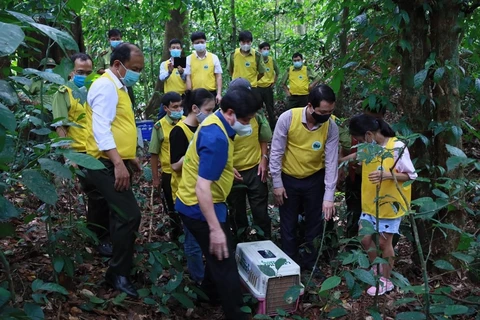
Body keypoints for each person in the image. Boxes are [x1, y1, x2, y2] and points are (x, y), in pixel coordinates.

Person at [175, 86, 260, 320]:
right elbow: (202, 187)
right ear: (230, 112)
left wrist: (225, 167)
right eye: (247, 119)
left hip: (205, 202)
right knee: (224, 259)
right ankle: (236, 314)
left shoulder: (216, 121)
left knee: (217, 255)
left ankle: (208, 294)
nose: (249, 124)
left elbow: (202, 157)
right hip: (199, 206)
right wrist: (214, 229)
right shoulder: (216, 138)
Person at [85, 43, 144, 298]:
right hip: (103, 163)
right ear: (118, 64)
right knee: (130, 215)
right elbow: (101, 129)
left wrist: (129, 158)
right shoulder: (105, 86)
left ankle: (120, 267)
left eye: (140, 70)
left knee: (122, 214)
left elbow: (120, 124)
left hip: (114, 160)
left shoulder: (119, 87)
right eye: (134, 69)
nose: (137, 74)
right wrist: (118, 163)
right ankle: (117, 273)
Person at [269, 84, 339, 272]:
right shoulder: (288, 118)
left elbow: (332, 161)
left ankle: (310, 263)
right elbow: (276, 152)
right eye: (323, 111)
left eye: (331, 111)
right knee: (288, 223)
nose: (327, 115)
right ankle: (289, 265)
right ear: (310, 106)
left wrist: (329, 197)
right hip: (289, 178)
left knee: (314, 224)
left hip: (315, 178)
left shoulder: (330, 126)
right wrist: (277, 184)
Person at [51, 53, 113, 257]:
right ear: (71, 72)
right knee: (97, 195)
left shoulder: (93, 89)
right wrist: (68, 156)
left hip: (98, 149)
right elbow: (60, 125)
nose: (84, 76)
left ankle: (103, 234)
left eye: (88, 72)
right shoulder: (64, 92)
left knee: (105, 195)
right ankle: (99, 238)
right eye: (80, 72)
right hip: (79, 152)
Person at [348, 114, 417, 296]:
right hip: (370, 204)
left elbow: (411, 175)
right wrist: (339, 161)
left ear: (369, 134)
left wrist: (386, 175)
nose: (360, 142)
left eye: (361, 139)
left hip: (389, 205)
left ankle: (386, 280)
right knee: (364, 238)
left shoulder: (397, 147)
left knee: (384, 243)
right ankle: (377, 268)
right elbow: (358, 157)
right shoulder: (369, 147)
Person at [169, 88, 215, 285]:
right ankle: (198, 280)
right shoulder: (179, 131)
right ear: (195, 108)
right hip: (187, 194)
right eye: (209, 109)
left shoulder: (207, 127)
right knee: (193, 242)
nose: (212, 114)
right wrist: (192, 153)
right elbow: (174, 166)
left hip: (208, 192)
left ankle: (211, 278)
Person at [225, 78, 272, 242]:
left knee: (260, 211)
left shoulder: (256, 115)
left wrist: (264, 159)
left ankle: (264, 242)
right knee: (237, 212)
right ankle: (241, 244)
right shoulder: (225, 117)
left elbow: (264, 137)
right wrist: (228, 168)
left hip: (255, 169)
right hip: (232, 172)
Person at [338, 99, 387, 241]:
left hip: (378, 183)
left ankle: (377, 247)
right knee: (354, 212)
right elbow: (349, 149)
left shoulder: (385, 135)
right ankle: (354, 245)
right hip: (356, 179)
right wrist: (341, 165)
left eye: (375, 118)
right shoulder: (359, 128)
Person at [149, 92, 185, 239]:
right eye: (175, 107)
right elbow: (154, 154)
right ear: (166, 108)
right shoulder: (159, 127)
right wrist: (156, 179)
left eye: (180, 106)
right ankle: (177, 237)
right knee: (173, 208)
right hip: (169, 174)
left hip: (187, 172)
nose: (179, 109)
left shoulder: (186, 122)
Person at [185, 31, 223, 105]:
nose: (200, 44)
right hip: (195, 94)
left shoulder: (214, 57)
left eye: (202, 42)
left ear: (205, 42)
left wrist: (219, 94)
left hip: (211, 93)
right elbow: (188, 77)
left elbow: (218, 76)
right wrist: (189, 94)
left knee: (212, 115)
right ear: (192, 44)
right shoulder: (188, 59)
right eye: (197, 42)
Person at [227, 31, 265, 99]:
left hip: (251, 88)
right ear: (240, 42)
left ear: (251, 42)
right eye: (243, 42)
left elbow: (262, 73)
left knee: (251, 108)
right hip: (236, 88)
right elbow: (230, 71)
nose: (246, 44)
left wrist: (253, 80)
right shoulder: (233, 54)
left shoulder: (257, 55)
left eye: (248, 42)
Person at [257, 42, 280, 130]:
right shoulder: (257, 59)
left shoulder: (271, 60)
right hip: (258, 87)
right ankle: (260, 126)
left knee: (270, 108)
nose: (266, 51)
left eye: (267, 49)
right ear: (260, 50)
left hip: (268, 87)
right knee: (258, 108)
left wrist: (273, 82)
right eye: (264, 49)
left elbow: (277, 72)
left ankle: (273, 127)